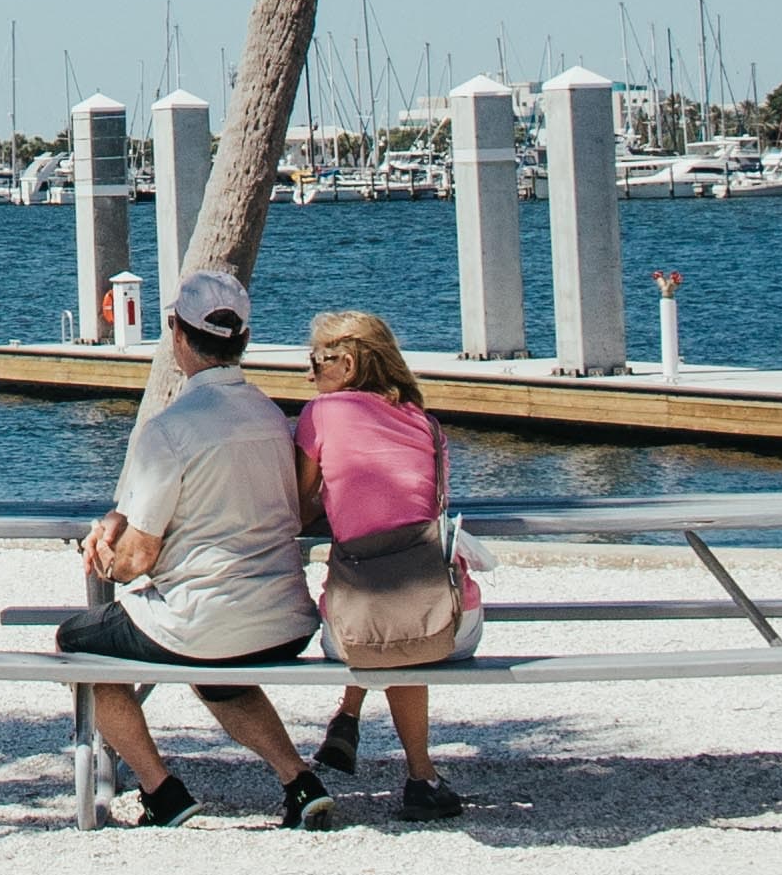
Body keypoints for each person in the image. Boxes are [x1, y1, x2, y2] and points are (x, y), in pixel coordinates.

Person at [57, 266, 339, 831]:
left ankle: (161, 791)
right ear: (244, 341)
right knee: (215, 667)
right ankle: (298, 779)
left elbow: (136, 561)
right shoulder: (271, 418)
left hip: (204, 624)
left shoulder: (169, 429)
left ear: (175, 334)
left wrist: (104, 551)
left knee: (78, 644)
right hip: (286, 620)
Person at [295, 308, 478, 822]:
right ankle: (396, 757)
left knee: (383, 620)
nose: (308, 374)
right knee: (397, 608)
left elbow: (299, 506)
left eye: (316, 361)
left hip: (368, 628)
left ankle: (411, 765)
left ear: (347, 364)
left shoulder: (322, 415)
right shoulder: (425, 422)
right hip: (454, 621)